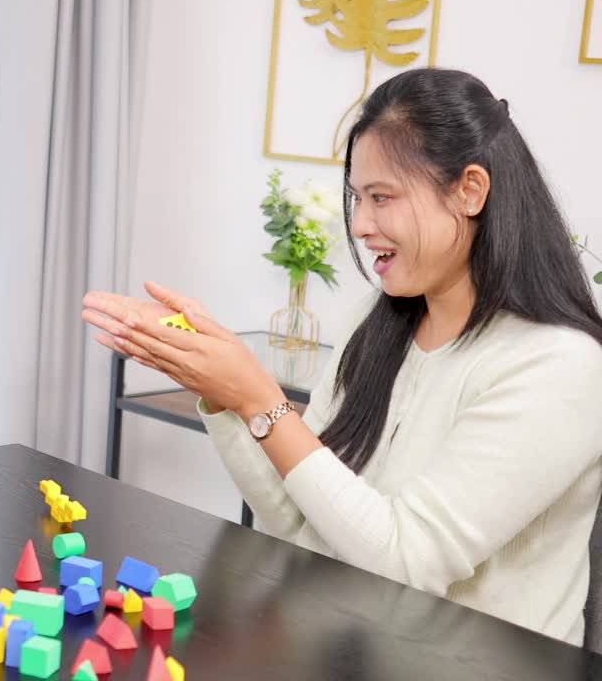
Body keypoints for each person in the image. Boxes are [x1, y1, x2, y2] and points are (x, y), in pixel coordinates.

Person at [83, 68, 602, 645]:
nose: (358, 225)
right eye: (357, 198)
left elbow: (406, 563)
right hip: (346, 641)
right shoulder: (380, 325)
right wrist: (218, 387)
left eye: (381, 197)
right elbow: (298, 519)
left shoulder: (559, 365)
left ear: (470, 191)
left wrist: (258, 396)